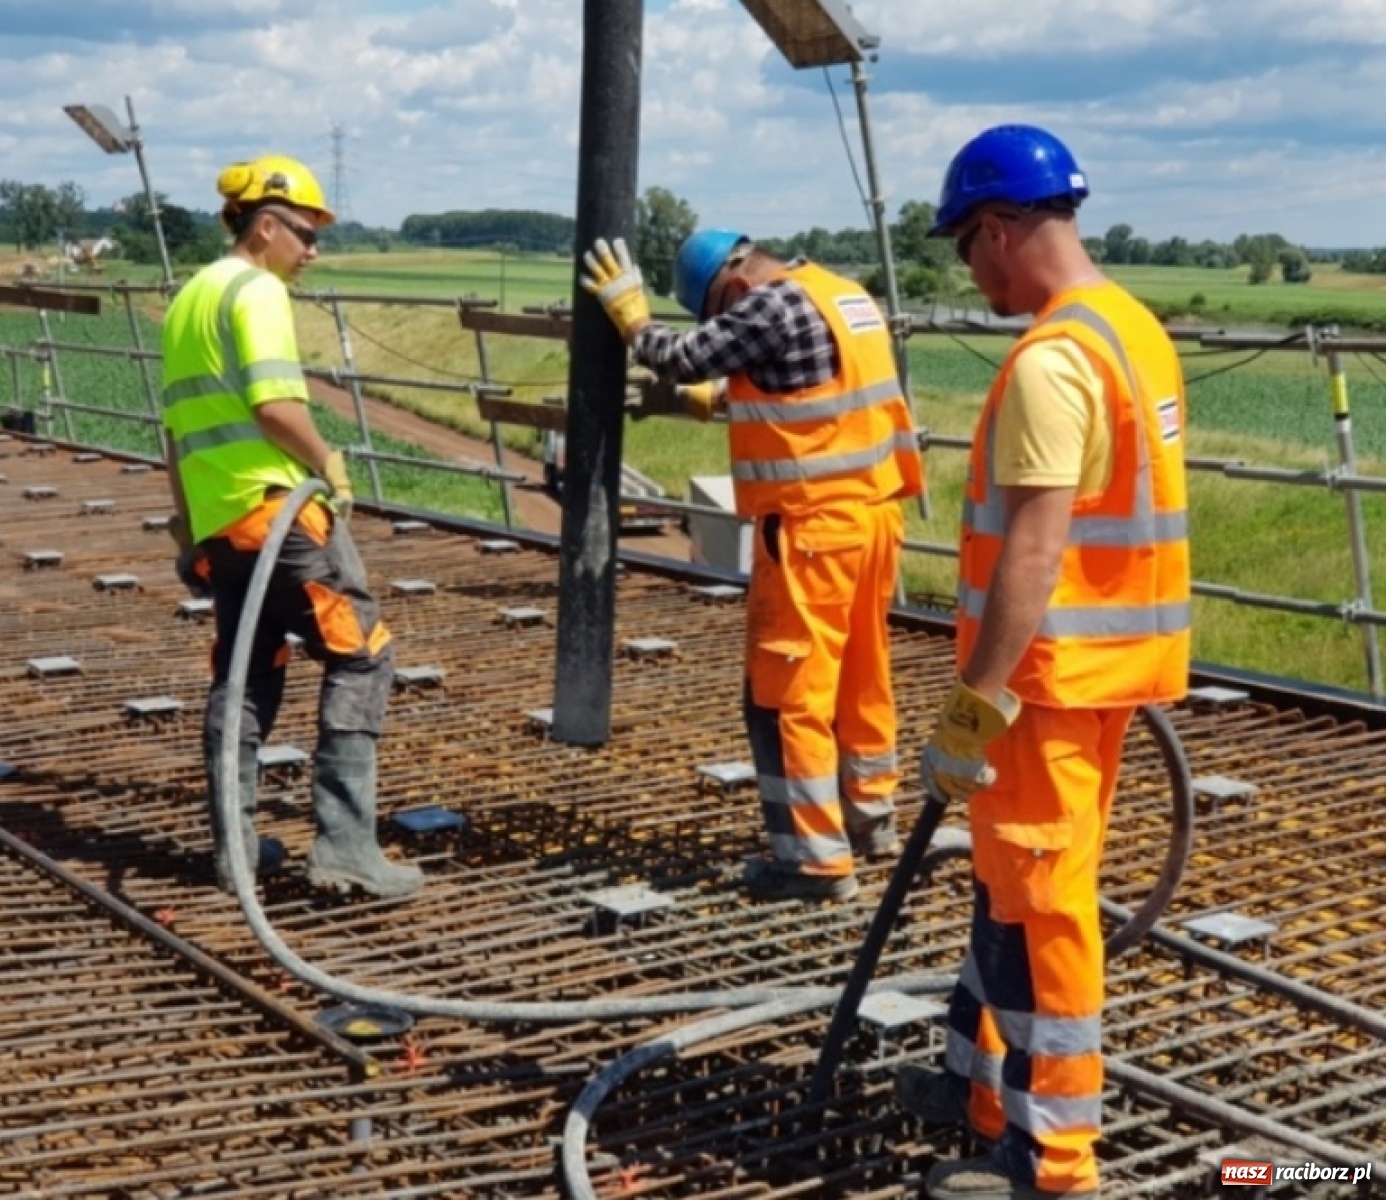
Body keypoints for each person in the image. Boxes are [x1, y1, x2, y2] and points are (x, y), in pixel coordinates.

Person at [895, 125, 1191, 1198]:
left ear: (1002, 229)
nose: (968, 270)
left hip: (1042, 690)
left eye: (967, 246)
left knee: (1041, 909)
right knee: (1008, 893)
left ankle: (1049, 1161)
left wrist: (972, 709)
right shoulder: (1131, 329)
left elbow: (1035, 547)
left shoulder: (1052, 362)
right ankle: (983, 1093)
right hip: (1101, 678)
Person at [581, 230, 923, 902]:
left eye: (718, 313)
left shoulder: (768, 305)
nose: (724, 325)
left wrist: (630, 312)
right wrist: (691, 403)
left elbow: (676, 355)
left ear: (734, 285)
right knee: (862, 673)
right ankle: (869, 819)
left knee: (788, 692)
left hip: (812, 529)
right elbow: (796, 389)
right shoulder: (842, 294)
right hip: (874, 516)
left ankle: (815, 862)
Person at [161, 154, 422, 900]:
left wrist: (190, 531)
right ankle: (344, 850)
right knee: (362, 652)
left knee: (248, 671)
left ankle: (235, 848)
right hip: (278, 514)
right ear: (266, 227)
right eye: (305, 234)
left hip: (224, 523)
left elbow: (174, 435)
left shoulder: (190, 297)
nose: (313, 251)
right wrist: (330, 463)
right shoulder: (257, 291)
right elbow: (277, 408)